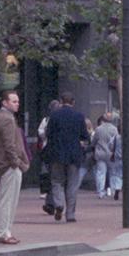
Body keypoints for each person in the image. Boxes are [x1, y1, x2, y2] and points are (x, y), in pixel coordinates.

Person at [0, 90, 28, 245]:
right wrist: (17, 163)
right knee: (9, 201)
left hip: (1, 164)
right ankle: (5, 233)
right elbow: (9, 146)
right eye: (13, 101)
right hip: (9, 166)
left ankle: (3, 232)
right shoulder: (7, 119)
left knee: (3, 200)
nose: (17, 104)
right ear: (4, 103)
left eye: (17, 101)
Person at [45, 92, 88, 222]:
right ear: (73, 102)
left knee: (57, 181)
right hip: (74, 155)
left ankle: (58, 204)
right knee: (72, 185)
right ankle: (70, 214)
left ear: (61, 101)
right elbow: (85, 136)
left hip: (57, 153)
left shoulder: (54, 115)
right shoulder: (79, 116)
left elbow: (48, 133)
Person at [88, 113, 119, 199]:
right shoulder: (114, 129)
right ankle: (112, 191)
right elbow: (116, 141)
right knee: (113, 173)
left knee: (101, 173)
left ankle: (100, 192)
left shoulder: (98, 129)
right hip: (111, 154)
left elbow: (94, 142)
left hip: (100, 153)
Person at [37, 99, 60, 210]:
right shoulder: (46, 120)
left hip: (52, 150)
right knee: (53, 176)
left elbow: (41, 133)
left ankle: (53, 202)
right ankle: (53, 202)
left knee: (54, 177)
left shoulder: (49, 120)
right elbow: (41, 133)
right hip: (52, 150)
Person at [108, 127, 123, 201]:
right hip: (128, 159)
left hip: (117, 158)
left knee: (118, 175)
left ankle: (117, 188)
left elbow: (110, 145)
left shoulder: (115, 137)